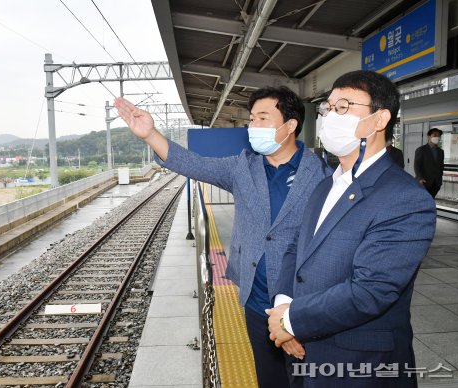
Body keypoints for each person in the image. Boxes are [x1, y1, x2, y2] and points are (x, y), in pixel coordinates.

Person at [114, 86, 331, 388]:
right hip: (256, 300)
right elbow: (194, 164)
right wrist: (151, 134)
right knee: (268, 378)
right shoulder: (243, 166)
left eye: (262, 118)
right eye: (251, 119)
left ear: (290, 125)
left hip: (302, 302)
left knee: (306, 379)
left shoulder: (323, 175)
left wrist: (300, 316)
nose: (253, 126)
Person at [266, 70, 436, 388]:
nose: (330, 116)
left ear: (379, 119)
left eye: (342, 107)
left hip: (360, 368)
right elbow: (295, 247)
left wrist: (291, 320)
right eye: (328, 108)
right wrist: (281, 306)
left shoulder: (406, 198)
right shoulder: (323, 186)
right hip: (305, 357)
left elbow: (371, 290)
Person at [414, 128, 445, 198]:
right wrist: (420, 178)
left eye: (438, 136)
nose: (437, 137)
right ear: (429, 137)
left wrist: (440, 178)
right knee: (423, 201)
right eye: (435, 135)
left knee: (431, 199)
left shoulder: (441, 151)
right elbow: (417, 165)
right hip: (424, 182)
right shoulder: (421, 150)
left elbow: (441, 165)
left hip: (436, 183)